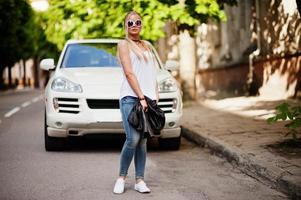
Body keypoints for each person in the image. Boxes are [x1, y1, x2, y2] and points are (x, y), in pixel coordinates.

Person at [113, 10, 159, 194]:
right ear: (125, 26)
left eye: (137, 22)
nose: (134, 25)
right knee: (132, 138)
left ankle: (140, 180)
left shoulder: (148, 45)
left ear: (141, 24)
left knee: (143, 141)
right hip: (131, 98)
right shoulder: (123, 44)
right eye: (130, 23)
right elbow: (129, 73)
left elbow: (153, 73)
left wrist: (154, 96)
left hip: (148, 99)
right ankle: (121, 178)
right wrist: (141, 96)